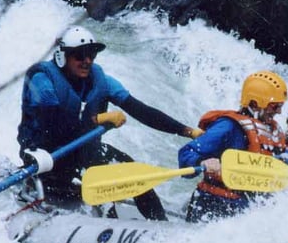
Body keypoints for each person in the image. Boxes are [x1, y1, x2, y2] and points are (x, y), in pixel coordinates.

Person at [17, 25, 201, 220]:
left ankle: (160, 223)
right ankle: (106, 220)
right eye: (80, 55)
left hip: (83, 152)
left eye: (91, 55)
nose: (87, 61)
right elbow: (53, 123)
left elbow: (142, 111)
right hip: (48, 156)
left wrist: (188, 131)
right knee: (97, 189)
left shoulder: (101, 81)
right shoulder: (41, 80)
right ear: (62, 56)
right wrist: (98, 119)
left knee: (133, 172)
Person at [178, 70, 288, 222]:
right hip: (215, 204)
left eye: (281, 106)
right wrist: (202, 162)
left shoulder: (273, 132)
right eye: (274, 106)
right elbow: (186, 153)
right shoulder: (228, 126)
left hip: (250, 208)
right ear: (254, 104)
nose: (279, 111)